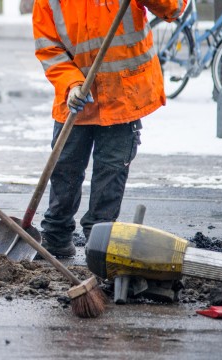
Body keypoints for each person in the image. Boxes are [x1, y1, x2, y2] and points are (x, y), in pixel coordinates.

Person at [32, 0, 187, 257]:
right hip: (77, 98)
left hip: (123, 96)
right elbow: (48, 47)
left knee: (110, 172)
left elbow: (173, 8)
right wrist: (71, 83)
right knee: (65, 168)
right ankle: (56, 238)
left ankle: (99, 244)